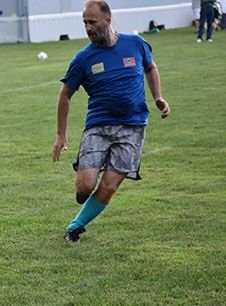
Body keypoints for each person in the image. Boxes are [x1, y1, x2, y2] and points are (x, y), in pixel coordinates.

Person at [52, 0, 170, 243]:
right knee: (85, 186)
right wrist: (61, 135)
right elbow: (65, 95)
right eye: (84, 23)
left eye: (92, 22)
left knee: (108, 187)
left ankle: (75, 227)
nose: (87, 27)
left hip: (133, 127)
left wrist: (158, 96)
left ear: (108, 20)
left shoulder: (136, 44)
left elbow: (151, 67)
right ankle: (84, 194)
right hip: (99, 126)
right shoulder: (83, 59)